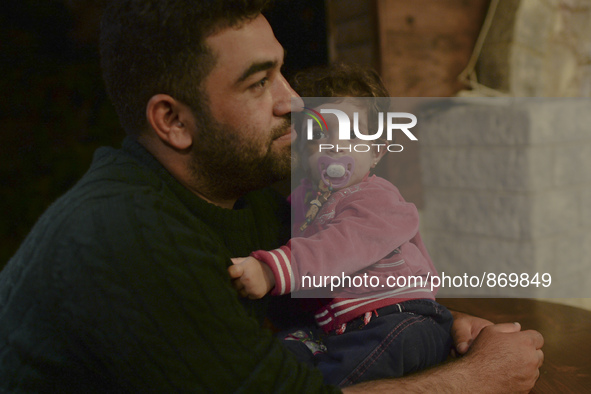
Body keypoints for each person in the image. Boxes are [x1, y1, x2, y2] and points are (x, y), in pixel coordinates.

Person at [0, 0, 543, 392]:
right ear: (173, 121)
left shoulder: (248, 198)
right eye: (260, 82)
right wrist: (480, 377)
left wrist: (442, 322)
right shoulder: (125, 235)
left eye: (283, 71)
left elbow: (352, 267)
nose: (295, 102)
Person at [229, 63, 453, 387]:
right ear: (303, 149)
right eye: (320, 135)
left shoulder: (379, 198)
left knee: (347, 371)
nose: (335, 146)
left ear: (376, 152)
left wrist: (272, 270)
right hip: (338, 327)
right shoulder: (300, 201)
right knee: (285, 352)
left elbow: (341, 246)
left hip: (400, 318)